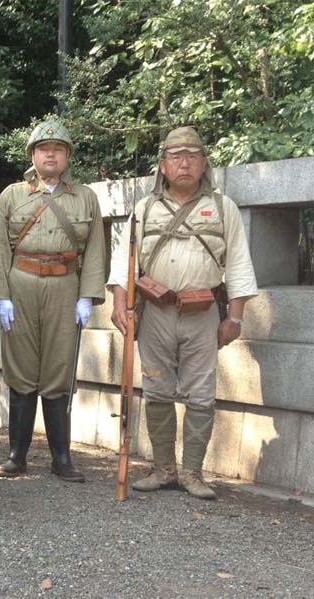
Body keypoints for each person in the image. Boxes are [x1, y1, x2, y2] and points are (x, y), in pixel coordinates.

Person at [108, 126, 257, 500]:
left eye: (192, 155)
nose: (184, 163)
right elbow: (123, 264)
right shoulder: (144, 209)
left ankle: (193, 473)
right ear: (163, 165)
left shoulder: (224, 208)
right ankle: (163, 469)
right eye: (176, 156)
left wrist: (234, 318)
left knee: (202, 393)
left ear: (204, 162)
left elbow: (238, 264)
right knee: (157, 388)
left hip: (203, 312)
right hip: (155, 311)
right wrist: (118, 305)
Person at [0, 117, 106, 482]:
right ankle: (16, 455)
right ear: (32, 155)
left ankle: (61, 458)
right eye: (43, 149)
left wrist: (88, 296)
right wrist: (0, 296)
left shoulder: (85, 197)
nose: (50, 154)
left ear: (67, 156)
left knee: (58, 369)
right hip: (20, 282)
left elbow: (95, 250)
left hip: (65, 285)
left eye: (57, 149)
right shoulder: (12, 195)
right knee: (20, 368)